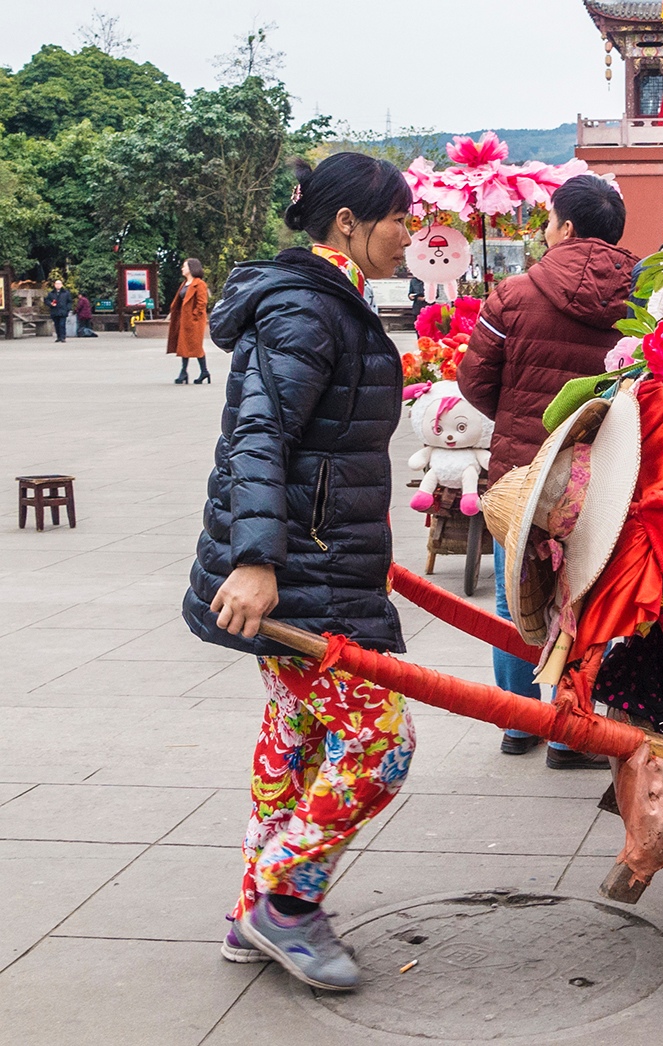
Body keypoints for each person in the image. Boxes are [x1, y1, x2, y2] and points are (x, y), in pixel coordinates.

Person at [183, 151, 415, 991]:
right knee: (382, 743)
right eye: (399, 215)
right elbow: (258, 438)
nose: (408, 230)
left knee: (298, 740)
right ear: (348, 223)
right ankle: (284, 901)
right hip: (304, 574)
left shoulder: (326, 301)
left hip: (325, 563)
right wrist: (254, 559)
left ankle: (255, 912)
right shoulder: (309, 312)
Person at [458, 173, 637, 769]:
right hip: (605, 473)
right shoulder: (645, 297)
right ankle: (569, 731)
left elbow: (473, 380)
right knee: (587, 592)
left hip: (524, 470)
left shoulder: (513, 294)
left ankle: (517, 721)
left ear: (564, 226)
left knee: (516, 593)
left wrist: (520, 418)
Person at [168, 258, 211, 384]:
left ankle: (204, 371)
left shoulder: (200, 284)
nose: (182, 268)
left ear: (192, 268)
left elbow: (202, 302)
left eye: (184, 266)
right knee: (184, 345)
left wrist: (194, 315)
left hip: (194, 321)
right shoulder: (185, 283)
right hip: (183, 319)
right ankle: (184, 371)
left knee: (196, 346)